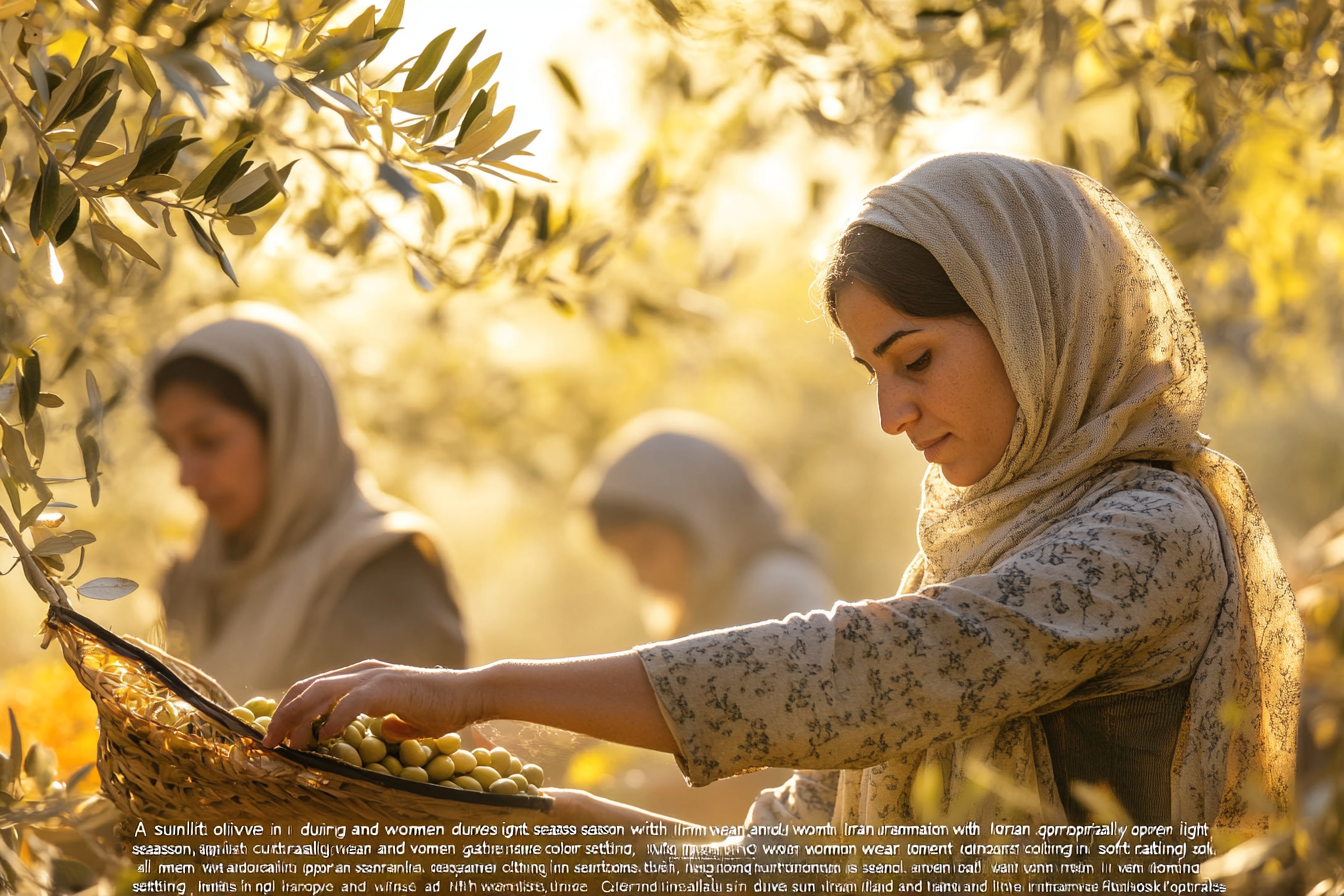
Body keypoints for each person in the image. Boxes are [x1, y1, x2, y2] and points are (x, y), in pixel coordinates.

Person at [264, 154, 1302, 837]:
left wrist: (481, 689)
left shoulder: (1152, 531)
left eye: (918, 358)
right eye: (874, 375)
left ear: (1036, 318)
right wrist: (536, 820)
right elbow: (780, 853)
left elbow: (866, 672)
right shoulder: (965, 558)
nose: (895, 414)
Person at [152, 304, 467, 699]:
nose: (185, 477)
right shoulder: (193, 582)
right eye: (172, 447)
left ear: (288, 431)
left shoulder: (384, 570)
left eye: (208, 441)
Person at [579, 410, 835, 638]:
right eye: (627, 559)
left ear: (705, 525)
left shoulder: (777, 591)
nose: (640, 579)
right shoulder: (700, 609)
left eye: (647, 550)